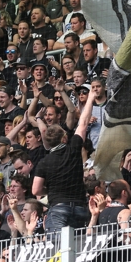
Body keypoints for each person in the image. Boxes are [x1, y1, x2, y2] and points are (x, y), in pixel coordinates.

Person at [32, 82, 96, 232]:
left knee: (60, 250)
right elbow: (83, 123)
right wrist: (91, 98)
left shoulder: (44, 162)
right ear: (64, 139)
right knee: (77, 249)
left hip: (58, 208)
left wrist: (53, 190)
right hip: (80, 208)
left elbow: (36, 190)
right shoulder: (73, 148)